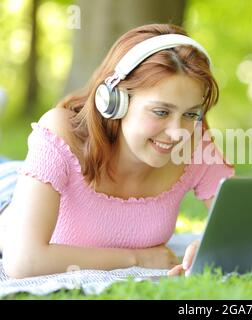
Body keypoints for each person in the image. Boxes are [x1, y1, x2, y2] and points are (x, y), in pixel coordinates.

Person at [0, 24, 234, 279]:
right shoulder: (61, 130)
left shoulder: (194, 142)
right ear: (114, 101)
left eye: (190, 113)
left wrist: (215, 246)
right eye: (161, 112)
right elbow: (24, 262)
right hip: (9, 190)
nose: (177, 131)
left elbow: (249, 225)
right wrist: (136, 258)